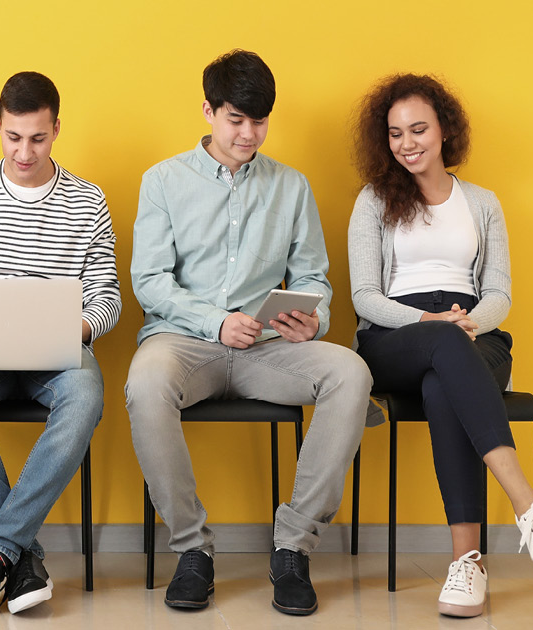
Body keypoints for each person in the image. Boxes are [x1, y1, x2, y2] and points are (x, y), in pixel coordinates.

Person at [125, 49, 371, 616]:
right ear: (208, 111)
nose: (248, 134)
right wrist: (215, 321)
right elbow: (150, 281)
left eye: (259, 122)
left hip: (268, 347)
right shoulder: (162, 181)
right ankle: (192, 551)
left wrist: (313, 318)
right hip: (184, 342)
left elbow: (312, 277)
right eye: (236, 119)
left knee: (351, 373)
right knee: (146, 383)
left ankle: (293, 549)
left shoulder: (292, 186)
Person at [348, 73, 533, 618]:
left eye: (419, 129)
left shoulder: (483, 203)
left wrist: (467, 324)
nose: (407, 143)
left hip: (475, 334)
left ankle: (467, 564)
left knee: (442, 380)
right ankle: (529, 507)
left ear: (445, 129)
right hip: (395, 337)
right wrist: (431, 320)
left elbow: (498, 293)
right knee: (440, 347)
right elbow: (365, 296)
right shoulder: (373, 200)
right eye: (395, 133)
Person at [0, 71, 120, 620]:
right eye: (13, 137)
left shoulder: (88, 200)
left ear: (57, 128)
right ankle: (21, 555)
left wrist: (75, 329)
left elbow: (106, 295)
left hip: (58, 352)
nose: (25, 152)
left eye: (37, 138)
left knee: (85, 397)